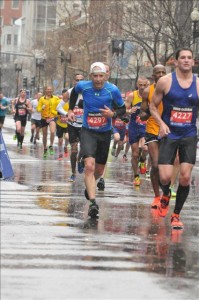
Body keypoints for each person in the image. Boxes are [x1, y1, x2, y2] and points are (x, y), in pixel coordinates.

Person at [68, 62, 126, 218]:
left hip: (105, 133)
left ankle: (90, 186)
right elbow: (73, 93)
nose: (98, 79)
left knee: (99, 171)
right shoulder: (83, 86)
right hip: (88, 131)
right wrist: (70, 110)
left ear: (106, 76)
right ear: (90, 76)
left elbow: (123, 109)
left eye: (101, 76)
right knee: (89, 166)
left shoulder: (112, 90)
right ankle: (93, 203)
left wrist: (112, 115)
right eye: (95, 76)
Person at [150, 47, 199, 229]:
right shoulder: (165, 81)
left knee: (185, 177)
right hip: (170, 134)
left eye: (189, 58)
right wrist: (162, 124)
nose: (186, 60)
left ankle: (176, 215)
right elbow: (153, 106)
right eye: (182, 58)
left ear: (193, 62)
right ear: (176, 62)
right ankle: (165, 194)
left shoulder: (198, 83)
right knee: (165, 177)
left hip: (189, 134)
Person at [140, 64, 167, 207]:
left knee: (166, 166)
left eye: (163, 72)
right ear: (153, 75)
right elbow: (142, 115)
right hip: (152, 129)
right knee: (155, 164)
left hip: (168, 129)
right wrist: (151, 111)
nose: (161, 74)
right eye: (158, 72)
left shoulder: (171, 90)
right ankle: (157, 196)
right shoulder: (147, 92)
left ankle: (166, 191)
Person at [57, 74, 84, 181]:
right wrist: (67, 114)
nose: (79, 82)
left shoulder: (88, 91)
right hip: (72, 125)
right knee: (73, 151)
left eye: (81, 80)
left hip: (84, 125)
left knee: (85, 149)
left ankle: (81, 161)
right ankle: (73, 173)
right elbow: (58, 107)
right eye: (77, 80)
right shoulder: (69, 92)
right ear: (74, 81)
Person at [125, 77, 149, 186]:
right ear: (137, 85)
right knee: (134, 154)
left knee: (145, 147)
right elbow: (124, 109)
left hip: (145, 126)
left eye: (145, 85)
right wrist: (129, 111)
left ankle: (143, 160)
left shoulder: (151, 95)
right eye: (141, 85)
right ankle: (136, 176)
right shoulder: (132, 96)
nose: (143, 87)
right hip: (134, 126)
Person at [37, 86, 59, 158]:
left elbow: (59, 107)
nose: (49, 90)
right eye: (48, 89)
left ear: (52, 90)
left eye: (50, 89)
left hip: (52, 117)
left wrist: (56, 113)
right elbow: (38, 109)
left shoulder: (56, 98)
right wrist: (41, 108)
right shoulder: (42, 99)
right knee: (44, 135)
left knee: (52, 132)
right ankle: (45, 148)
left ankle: (51, 146)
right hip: (44, 118)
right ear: (45, 90)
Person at [55, 88, 69, 160]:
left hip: (67, 124)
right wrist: (57, 114)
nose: (65, 97)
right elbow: (54, 110)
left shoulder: (70, 102)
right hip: (59, 124)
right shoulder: (58, 102)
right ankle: (60, 153)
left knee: (67, 137)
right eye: (64, 95)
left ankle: (66, 146)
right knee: (60, 140)